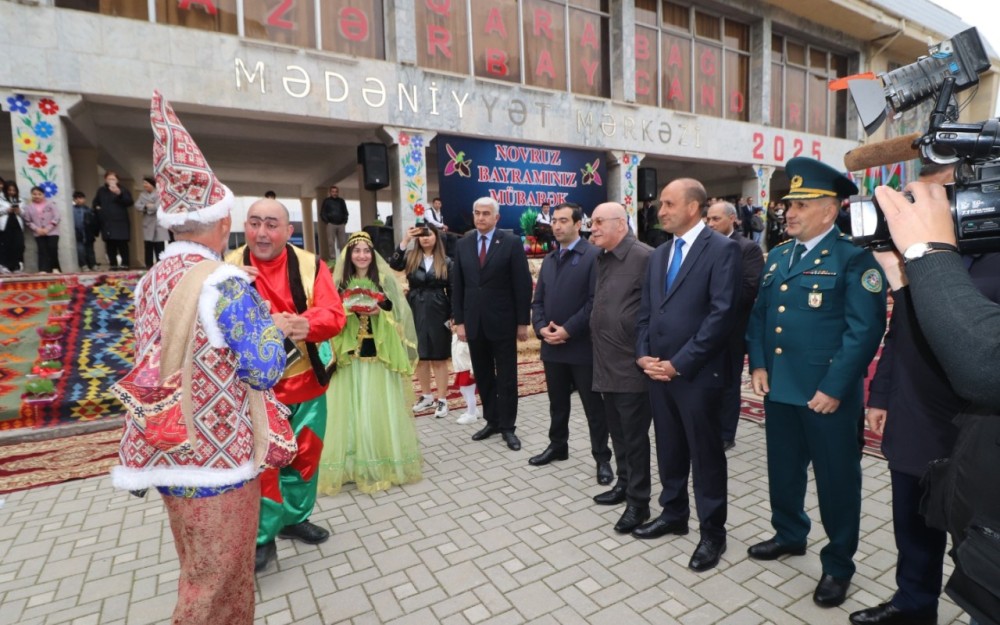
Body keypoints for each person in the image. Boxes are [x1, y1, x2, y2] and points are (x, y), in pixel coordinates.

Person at [111, 90, 288, 625]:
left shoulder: (150, 280)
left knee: (198, 565)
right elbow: (266, 367)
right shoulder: (226, 282)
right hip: (218, 459)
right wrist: (273, 329)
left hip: (167, 448)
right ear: (220, 220)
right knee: (215, 583)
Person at [849, 164, 1000, 625]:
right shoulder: (910, 252)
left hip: (977, 429)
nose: (926, 206)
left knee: (979, 540)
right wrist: (882, 395)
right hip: (918, 416)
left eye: (943, 193)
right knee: (913, 527)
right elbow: (901, 333)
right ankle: (913, 604)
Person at [746, 156, 887, 608]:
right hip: (780, 389)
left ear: (830, 209)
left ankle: (838, 565)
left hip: (826, 395)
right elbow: (762, 315)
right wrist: (759, 364)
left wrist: (834, 388)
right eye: (789, 203)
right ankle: (789, 534)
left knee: (836, 482)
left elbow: (863, 331)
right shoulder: (780, 255)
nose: (789, 211)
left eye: (802, 204)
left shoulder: (853, 259)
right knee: (783, 474)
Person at [225, 197, 347, 573]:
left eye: (271, 224)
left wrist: (300, 324)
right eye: (254, 223)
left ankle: (295, 518)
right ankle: (262, 537)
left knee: (306, 455)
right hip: (254, 390)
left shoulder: (310, 265)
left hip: (306, 381)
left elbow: (334, 314)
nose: (262, 233)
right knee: (262, 464)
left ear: (288, 231)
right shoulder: (226, 268)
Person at [633, 179, 741, 572]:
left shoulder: (723, 250)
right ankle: (674, 514)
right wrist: (643, 355)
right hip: (658, 372)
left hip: (696, 374)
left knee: (706, 455)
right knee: (670, 447)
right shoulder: (660, 253)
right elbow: (647, 311)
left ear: (693, 207)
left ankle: (713, 532)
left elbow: (720, 316)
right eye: (661, 204)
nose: (659, 211)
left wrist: (680, 362)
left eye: (667, 204)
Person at [318, 231, 422, 495]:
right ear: (349, 255)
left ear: (372, 255)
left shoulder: (384, 279)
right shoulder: (339, 282)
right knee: (349, 408)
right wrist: (346, 309)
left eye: (366, 250)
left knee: (376, 405)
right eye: (356, 251)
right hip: (349, 355)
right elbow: (329, 314)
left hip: (378, 353)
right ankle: (349, 464)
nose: (362, 255)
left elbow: (395, 311)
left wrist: (380, 311)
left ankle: (381, 460)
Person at [528, 202, 612, 485]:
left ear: (579, 224)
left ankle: (602, 457)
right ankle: (558, 446)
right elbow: (537, 301)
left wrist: (567, 330)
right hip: (552, 346)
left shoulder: (593, 256)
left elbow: (595, 302)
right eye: (554, 220)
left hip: (582, 347)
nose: (557, 225)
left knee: (593, 408)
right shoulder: (550, 260)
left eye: (564, 220)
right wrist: (541, 328)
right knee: (557, 403)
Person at [588, 201, 654, 534]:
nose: (593, 227)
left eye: (599, 222)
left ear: (621, 225)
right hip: (605, 364)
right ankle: (624, 485)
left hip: (631, 366)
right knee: (617, 433)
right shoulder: (602, 258)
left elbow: (656, 311)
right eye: (592, 222)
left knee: (635, 438)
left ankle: (639, 504)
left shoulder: (644, 257)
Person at [452, 197, 533, 451]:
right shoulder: (463, 244)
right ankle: (492, 421)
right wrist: (460, 322)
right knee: (484, 375)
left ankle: (508, 427)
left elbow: (521, 283)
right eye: (477, 213)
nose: (480, 218)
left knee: (507, 378)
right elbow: (458, 286)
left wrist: (522, 322)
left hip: (503, 322)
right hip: (474, 324)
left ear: (496, 217)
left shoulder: (510, 243)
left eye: (486, 213)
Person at [704, 200, 765, 450]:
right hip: (705, 329)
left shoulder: (747, 248)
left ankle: (726, 433)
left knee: (729, 383)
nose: (710, 224)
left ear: (733, 219)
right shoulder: (705, 246)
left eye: (715, 219)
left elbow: (750, 288)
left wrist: (713, 302)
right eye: (708, 219)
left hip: (732, 330)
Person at [390, 222, 453, 418]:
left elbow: (453, 290)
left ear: (436, 237)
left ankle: (442, 399)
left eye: (430, 234)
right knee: (420, 355)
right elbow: (394, 264)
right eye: (422, 235)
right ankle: (426, 396)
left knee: (439, 356)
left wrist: (453, 316)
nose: (426, 238)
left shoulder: (447, 261)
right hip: (415, 307)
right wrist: (406, 240)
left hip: (438, 307)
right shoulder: (410, 257)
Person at [93, 170, 133, 270]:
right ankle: (113, 264)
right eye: (109, 179)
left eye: (113, 179)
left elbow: (129, 202)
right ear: (105, 179)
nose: (111, 181)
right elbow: (95, 203)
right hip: (107, 222)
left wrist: (119, 193)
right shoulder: (101, 190)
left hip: (120, 222)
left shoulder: (122, 189)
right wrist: (98, 209)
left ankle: (125, 264)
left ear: (117, 180)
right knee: (110, 244)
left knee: (122, 244)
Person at [22, 186, 62, 274]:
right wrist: (37, 229)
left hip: (52, 232)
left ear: (43, 195)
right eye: (34, 194)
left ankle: (55, 268)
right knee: (42, 250)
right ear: (31, 195)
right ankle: (43, 269)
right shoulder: (28, 207)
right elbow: (28, 221)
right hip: (38, 232)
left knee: (53, 248)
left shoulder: (51, 204)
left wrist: (48, 229)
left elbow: (57, 217)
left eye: (39, 194)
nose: (37, 196)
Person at [135, 176, 169, 267]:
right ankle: (148, 265)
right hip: (148, 223)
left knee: (159, 245)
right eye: (144, 183)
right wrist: (146, 206)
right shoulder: (142, 195)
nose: (144, 185)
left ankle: (160, 265)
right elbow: (137, 205)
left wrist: (148, 207)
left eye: (146, 183)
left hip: (158, 223)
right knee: (148, 245)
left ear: (152, 184)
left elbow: (158, 207)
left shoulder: (159, 194)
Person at [0, 180, 25, 273]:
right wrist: (7, 210)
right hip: (5, 225)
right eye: (9, 190)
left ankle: (16, 266)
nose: (12, 192)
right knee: (6, 246)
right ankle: (5, 266)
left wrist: (19, 211)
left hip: (17, 225)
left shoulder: (20, 200)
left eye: (14, 190)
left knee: (19, 245)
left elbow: (25, 214)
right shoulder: (1, 198)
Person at [320, 185, 348, 259]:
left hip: (341, 224)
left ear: (338, 192)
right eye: (333, 192)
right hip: (331, 224)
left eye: (336, 192)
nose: (334, 193)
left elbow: (346, 212)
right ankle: (333, 258)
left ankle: (343, 258)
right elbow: (322, 213)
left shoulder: (341, 201)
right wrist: (327, 222)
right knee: (331, 243)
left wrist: (344, 221)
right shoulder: (327, 201)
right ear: (330, 192)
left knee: (342, 243)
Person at [72, 191, 98, 271]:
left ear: (84, 199)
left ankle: (93, 264)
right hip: (78, 233)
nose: (79, 200)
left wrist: (95, 232)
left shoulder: (89, 210)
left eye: (81, 198)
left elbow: (94, 222)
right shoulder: (72, 210)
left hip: (88, 233)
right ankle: (84, 265)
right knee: (80, 250)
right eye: (76, 199)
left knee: (90, 250)